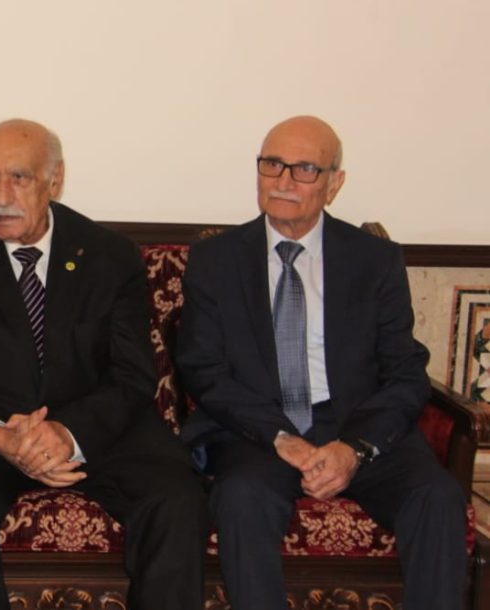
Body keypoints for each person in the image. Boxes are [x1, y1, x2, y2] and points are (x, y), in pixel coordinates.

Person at [0, 118, 208, 610]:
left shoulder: (110, 255)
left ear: (55, 179)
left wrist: (66, 434)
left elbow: (132, 374)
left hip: (92, 427)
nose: (1, 196)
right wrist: (0, 435)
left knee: (176, 496)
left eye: (18, 177)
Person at [176, 115, 467, 610]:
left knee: (437, 497)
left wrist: (355, 447)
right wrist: (281, 437)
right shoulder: (216, 259)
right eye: (272, 164)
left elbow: (404, 372)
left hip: (353, 423)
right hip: (259, 431)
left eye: (305, 169)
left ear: (335, 184)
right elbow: (204, 370)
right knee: (241, 497)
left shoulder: (374, 260)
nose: (283, 181)